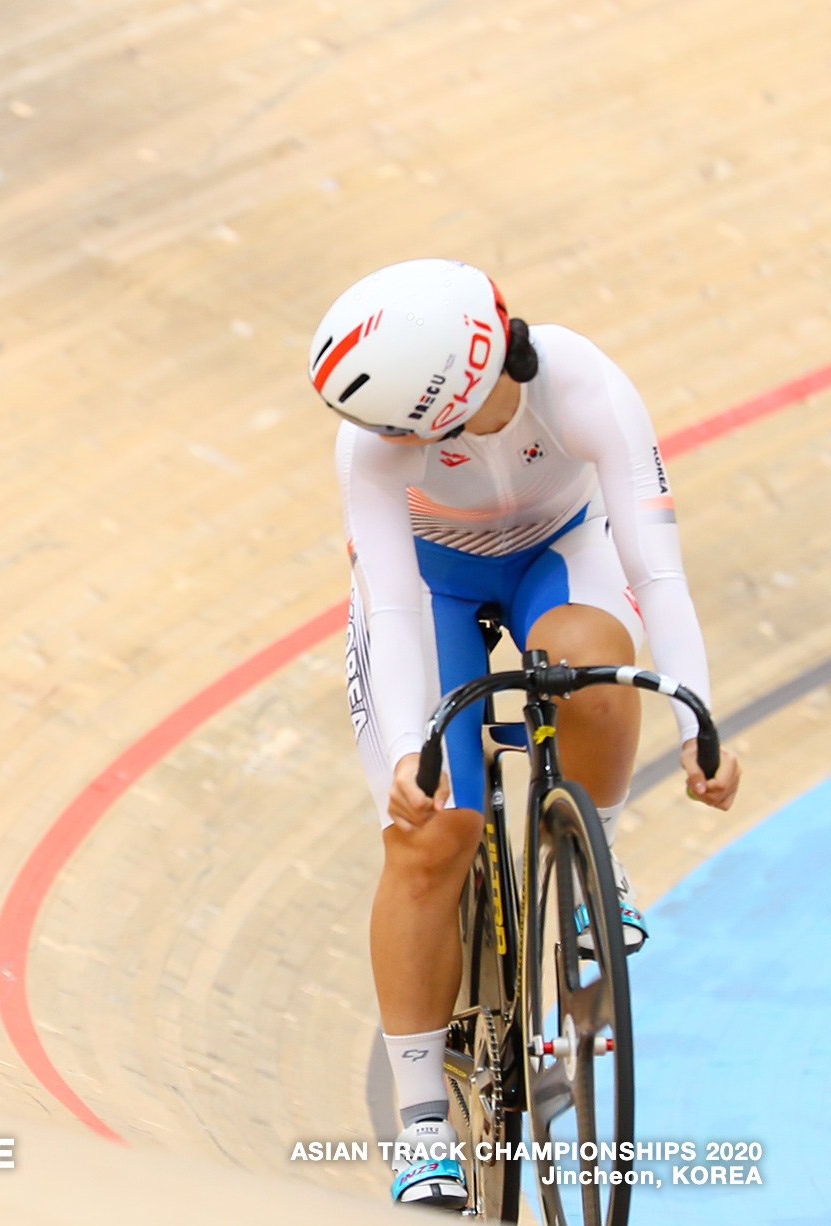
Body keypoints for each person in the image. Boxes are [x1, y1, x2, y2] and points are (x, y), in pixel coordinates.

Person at [307, 258, 742, 1209]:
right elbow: (391, 609)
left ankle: (593, 856)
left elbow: (653, 568)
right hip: (432, 590)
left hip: (562, 552)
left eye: (400, 428)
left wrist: (695, 719)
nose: (380, 441)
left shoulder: (583, 383)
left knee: (591, 661)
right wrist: (412, 757)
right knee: (433, 838)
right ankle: (423, 1120)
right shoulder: (371, 452)